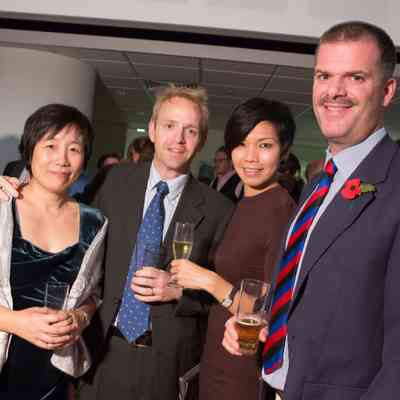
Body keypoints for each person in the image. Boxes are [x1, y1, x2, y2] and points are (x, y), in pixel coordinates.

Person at [222, 21, 400, 400]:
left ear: (387, 90)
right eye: (324, 76)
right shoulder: (317, 185)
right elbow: (305, 291)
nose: (334, 91)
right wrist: (262, 322)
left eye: (355, 77)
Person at [77, 85, 233, 400]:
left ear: (201, 139)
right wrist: (21, 193)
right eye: (169, 125)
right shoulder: (113, 180)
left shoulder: (219, 210)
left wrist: (179, 293)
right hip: (104, 350)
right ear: (152, 129)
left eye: (190, 130)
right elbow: (71, 228)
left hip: (166, 362)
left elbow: (221, 299)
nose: (178, 139)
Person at [170, 97, 296, 400]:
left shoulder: (281, 211)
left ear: (284, 151)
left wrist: (209, 281)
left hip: (243, 367)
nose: (250, 157)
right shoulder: (241, 202)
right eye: (241, 144)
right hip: (216, 355)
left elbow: (273, 311)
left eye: (264, 145)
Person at [0, 104, 107, 399]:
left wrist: (80, 318)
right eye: (51, 146)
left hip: (52, 377)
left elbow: (92, 294)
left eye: (74, 149)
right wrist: (15, 322)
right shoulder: (2, 206)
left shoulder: (94, 222)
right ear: (30, 150)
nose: (62, 159)